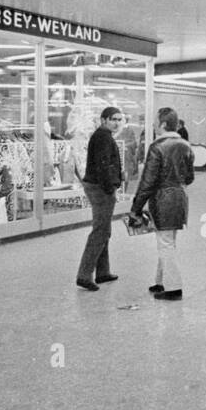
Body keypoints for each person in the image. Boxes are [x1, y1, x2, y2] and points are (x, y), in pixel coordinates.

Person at [131, 107, 194, 301]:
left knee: (165, 243)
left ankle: (174, 287)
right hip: (180, 197)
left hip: (162, 199)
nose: (153, 125)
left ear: (163, 124)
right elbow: (189, 177)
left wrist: (136, 208)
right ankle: (161, 281)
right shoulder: (186, 145)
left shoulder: (157, 147)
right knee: (168, 240)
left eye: (155, 121)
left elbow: (147, 182)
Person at [75, 107, 124, 291]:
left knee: (104, 229)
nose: (117, 122)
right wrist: (110, 187)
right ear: (104, 120)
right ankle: (84, 275)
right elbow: (104, 165)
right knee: (100, 231)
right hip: (100, 189)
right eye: (113, 119)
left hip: (97, 186)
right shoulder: (103, 137)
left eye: (119, 119)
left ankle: (103, 272)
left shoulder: (103, 135)